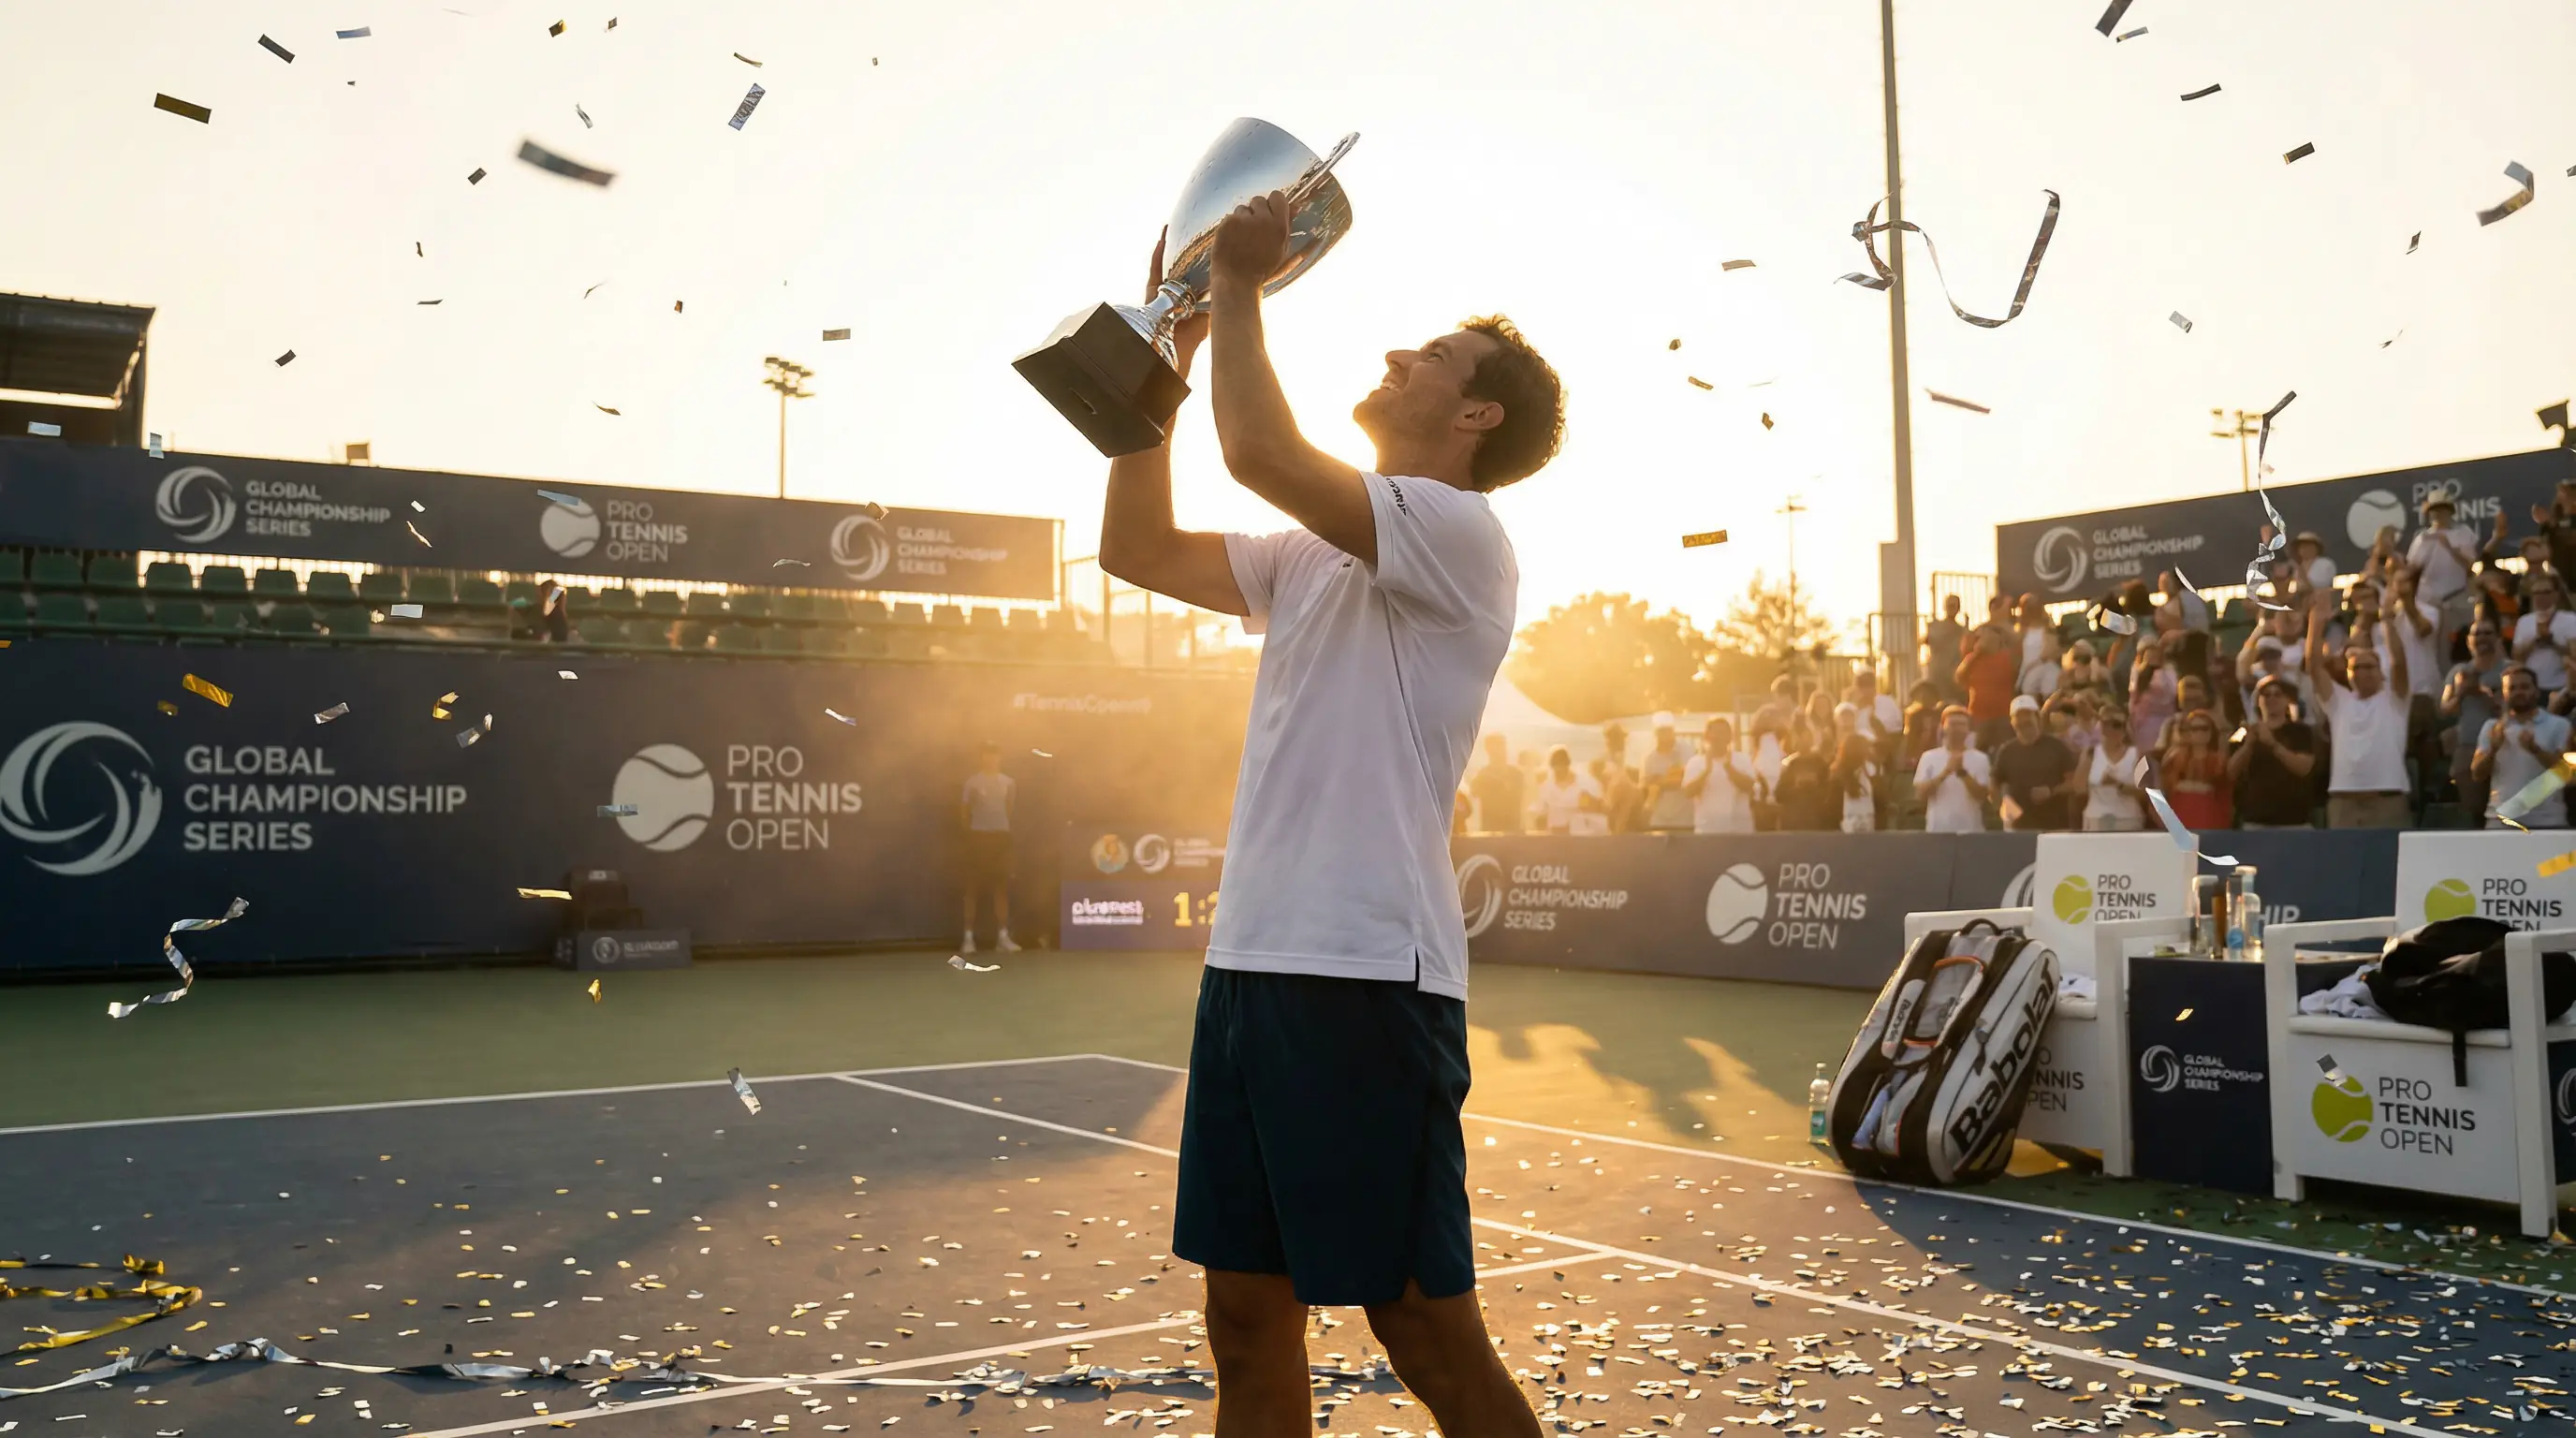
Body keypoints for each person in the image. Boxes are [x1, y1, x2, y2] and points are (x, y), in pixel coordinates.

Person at [1090, 204, 1563, 1436]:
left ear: (1476, 418)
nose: (1402, 356)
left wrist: (1238, 285)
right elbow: (1133, 544)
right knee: (1245, 1318)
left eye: (1437, 359)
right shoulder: (1309, 553)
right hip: (1249, 965)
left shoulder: (1463, 537)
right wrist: (1168, 358)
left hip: (1367, 975)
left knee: (1421, 1328)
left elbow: (1258, 453)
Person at [2306, 583, 2413, 828]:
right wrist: (2316, 622)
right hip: (2343, 802)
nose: (2363, 672)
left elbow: (2399, 662)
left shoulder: (2395, 699)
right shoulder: (2338, 702)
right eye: (2356, 667)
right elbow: (2314, 665)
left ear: (2381, 672)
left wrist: (2385, 618)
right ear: (2348, 673)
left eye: (2370, 666)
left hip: (2387, 801)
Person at [2474, 665, 2573, 829]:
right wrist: (2493, 749)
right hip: (2500, 821)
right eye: (2512, 688)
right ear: (2504, 694)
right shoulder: (2492, 727)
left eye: (2525, 687)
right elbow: (2477, 774)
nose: (2519, 692)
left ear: (2537, 691)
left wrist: (2536, 750)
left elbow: (2568, 776)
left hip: (2548, 821)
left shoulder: (2559, 725)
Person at [2227, 676, 2319, 828]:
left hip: (2295, 821)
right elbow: (2231, 773)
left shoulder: (2301, 732)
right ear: (2258, 701)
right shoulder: (2244, 732)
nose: (2272, 699)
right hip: (2255, 820)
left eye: (2278, 694)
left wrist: (2273, 744)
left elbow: (2304, 768)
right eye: (2266, 695)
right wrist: (2248, 745)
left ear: (2287, 700)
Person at [2441, 619, 2510, 820]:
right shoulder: (2458, 672)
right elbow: (2445, 709)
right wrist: (2461, 692)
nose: (2481, 638)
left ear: (2498, 638)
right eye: (2476, 634)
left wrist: (2485, 695)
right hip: (2468, 746)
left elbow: (2517, 710)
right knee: (2473, 808)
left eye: (2487, 633)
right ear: (2468, 641)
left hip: (2504, 746)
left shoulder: (2510, 670)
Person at [958, 741, 1020, 955]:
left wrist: (997, 830)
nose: (990, 759)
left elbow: (1008, 809)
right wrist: (974, 835)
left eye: (994, 755)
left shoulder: (1009, 783)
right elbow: (965, 813)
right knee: (972, 889)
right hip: (978, 839)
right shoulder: (972, 783)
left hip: (1000, 839)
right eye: (986, 755)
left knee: (1000, 888)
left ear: (999, 757)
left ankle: (1002, 938)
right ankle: (968, 939)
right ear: (981, 757)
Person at [1993, 694, 2078, 831]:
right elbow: (1994, 786)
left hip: (2056, 827)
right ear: (2012, 721)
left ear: (2037, 717)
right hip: (2019, 829)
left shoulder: (2057, 747)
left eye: (2028, 715)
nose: (2024, 720)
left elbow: (2074, 784)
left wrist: (2051, 791)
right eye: (2018, 716)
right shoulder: (2006, 751)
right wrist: (2002, 804)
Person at [1911, 706, 1994, 834]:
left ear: (1968, 729)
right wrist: (1945, 773)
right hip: (1938, 831)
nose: (1957, 728)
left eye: (1962, 724)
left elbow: (1982, 796)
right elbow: (1920, 794)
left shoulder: (1981, 758)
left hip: (1971, 831)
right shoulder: (1929, 757)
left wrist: (1962, 773)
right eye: (1953, 724)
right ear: (1943, 726)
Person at [2159, 709, 2232, 831]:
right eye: (2194, 728)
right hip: (2180, 824)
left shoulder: (2219, 761)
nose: (2199, 732)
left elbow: (2224, 796)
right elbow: (2166, 792)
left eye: (2204, 728)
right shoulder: (2174, 759)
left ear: (2211, 732)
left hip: (2210, 824)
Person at [1683, 718, 1759, 833]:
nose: (1718, 737)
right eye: (1715, 733)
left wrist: (1729, 769)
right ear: (1707, 737)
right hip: (1707, 831)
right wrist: (1706, 772)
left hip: (1740, 831)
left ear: (1730, 737)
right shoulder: (1695, 762)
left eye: (1723, 733)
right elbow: (1688, 792)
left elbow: (1750, 787)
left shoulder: (1743, 759)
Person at [2511, 569, 2576, 697]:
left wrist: (2553, 643)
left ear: (2556, 594)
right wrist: (2536, 641)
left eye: (2546, 592)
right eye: (2536, 592)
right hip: (2533, 688)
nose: (2541, 596)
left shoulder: (2571, 619)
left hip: (2562, 686)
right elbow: (2516, 655)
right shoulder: (2524, 621)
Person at [2082, 711, 2147, 830]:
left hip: (2127, 820)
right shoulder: (2090, 753)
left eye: (2116, 725)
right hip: (2096, 819)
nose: (2110, 729)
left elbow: (2144, 792)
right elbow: (2078, 787)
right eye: (2105, 724)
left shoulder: (2137, 755)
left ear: (2124, 729)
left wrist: (2118, 785)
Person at [1955, 623, 2017, 749]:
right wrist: (1976, 653)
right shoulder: (1972, 658)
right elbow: (1959, 677)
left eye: (1985, 636)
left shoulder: (2007, 657)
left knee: (2003, 748)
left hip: (2002, 716)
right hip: (1977, 716)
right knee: (1975, 749)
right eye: (1979, 637)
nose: (1982, 640)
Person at [1772, 721, 1837, 831]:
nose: (1806, 741)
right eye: (1802, 737)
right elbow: (1779, 794)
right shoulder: (1789, 764)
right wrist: (1797, 787)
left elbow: (1829, 793)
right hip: (1794, 822)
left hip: (1817, 821)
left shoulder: (1820, 763)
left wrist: (1813, 786)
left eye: (1808, 737)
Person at [1637, 713, 1693, 831]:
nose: (1664, 735)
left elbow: (1689, 780)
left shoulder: (1686, 751)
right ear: (1655, 733)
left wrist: (1661, 782)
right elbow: (1645, 788)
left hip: (1685, 819)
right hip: (1658, 820)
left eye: (1668, 731)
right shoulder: (1649, 758)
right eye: (1661, 731)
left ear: (1673, 732)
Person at [1466, 732, 1526, 834]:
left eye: (1502, 746)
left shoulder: (1517, 774)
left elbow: (1526, 801)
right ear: (1488, 751)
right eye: (1495, 748)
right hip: (1491, 832)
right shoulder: (1482, 776)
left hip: (1513, 833)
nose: (1500, 751)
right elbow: (1473, 793)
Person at [1533, 745, 1600, 834]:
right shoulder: (1547, 787)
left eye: (1561, 768)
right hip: (1555, 835)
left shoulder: (1584, 784)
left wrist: (1589, 804)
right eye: (1555, 769)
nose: (1558, 773)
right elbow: (1540, 812)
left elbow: (1596, 810)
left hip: (1579, 835)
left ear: (1567, 765)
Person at [2128, 638, 2177, 753]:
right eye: (2148, 655)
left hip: (2165, 719)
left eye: (2155, 654)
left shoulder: (2168, 670)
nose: (2152, 657)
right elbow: (2133, 695)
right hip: (2145, 722)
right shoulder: (2137, 671)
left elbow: (2173, 691)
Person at [1831, 727, 1879, 833]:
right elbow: (1833, 806)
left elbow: (1880, 798)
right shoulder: (1838, 775)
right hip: (1844, 827)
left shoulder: (1872, 769)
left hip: (1870, 825)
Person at [1846, 667, 1902, 753]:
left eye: (1869, 685)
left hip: (1885, 752)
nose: (1865, 689)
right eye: (1861, 685)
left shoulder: (1887, 703)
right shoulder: (1852, 707)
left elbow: (1896, 732)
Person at [1924, 593, 1967, 702]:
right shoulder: (1935, 626)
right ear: (1944, 607)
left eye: (1954, 606)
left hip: (1954, 677)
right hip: (1937, 674)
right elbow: (1930, 641)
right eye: (1949, 605)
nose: (1952, 609)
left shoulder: (1962, 630)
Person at [1597, 725, 1640, 832]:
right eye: (1617, 738)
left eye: (1622, 738)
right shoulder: (1602, 761)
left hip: (1628, 809)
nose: (1621, 742)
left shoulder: (1628, 759)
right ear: (1609, 741)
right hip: (1610, 805)